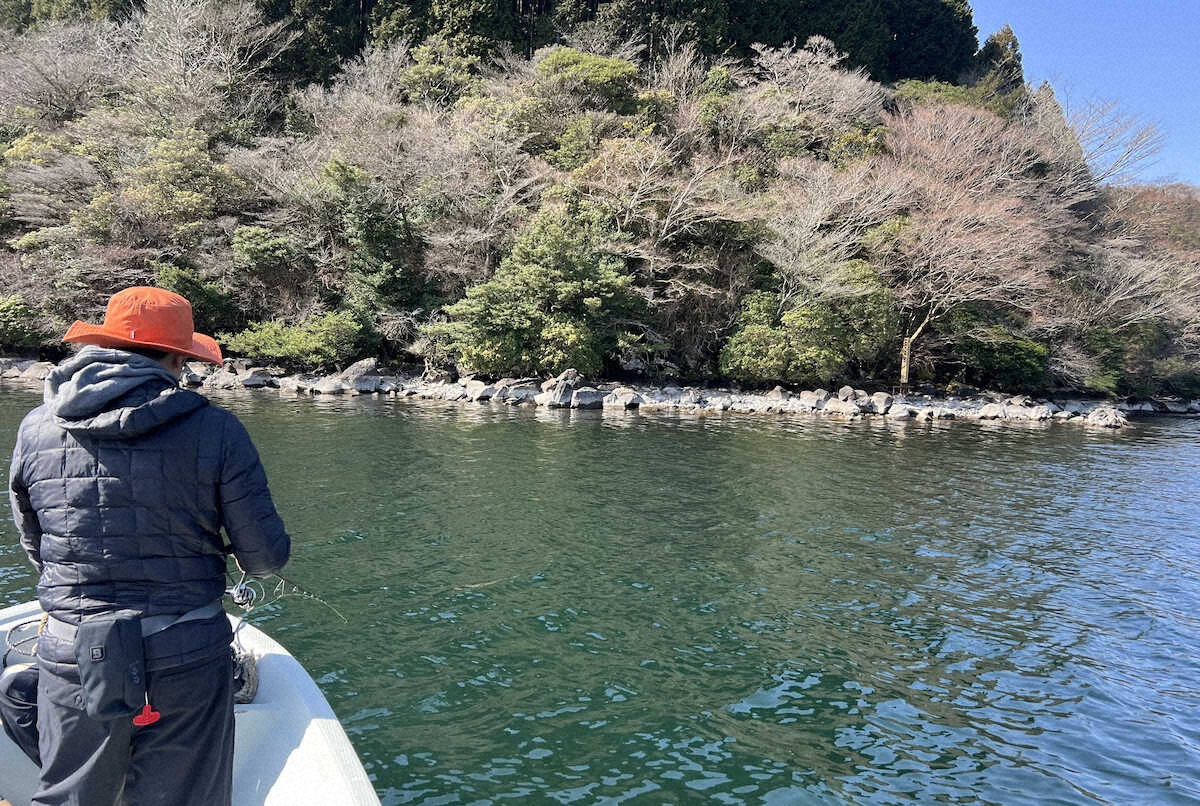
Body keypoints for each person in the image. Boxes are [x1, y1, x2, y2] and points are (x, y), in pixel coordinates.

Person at [8, 286, 291, 806]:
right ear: (175, 357)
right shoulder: (215, 428)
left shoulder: (36, 426)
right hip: (184, 651)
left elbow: (36, 543)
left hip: (73, 647)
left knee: (70, 797)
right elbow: (265, 557)